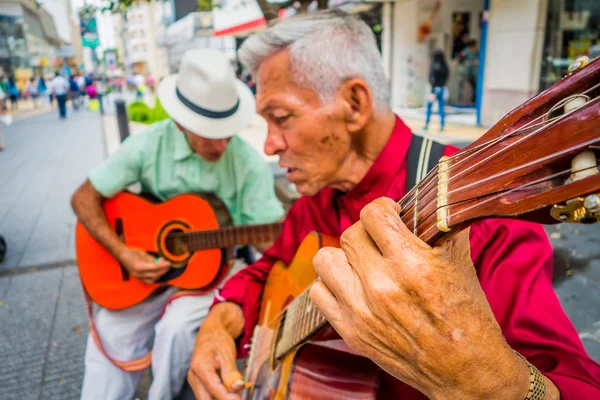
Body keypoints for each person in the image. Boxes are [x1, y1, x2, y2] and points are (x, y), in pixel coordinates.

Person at [188, 10, 600, 400]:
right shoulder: (315, 198)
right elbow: (267, 268)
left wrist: (489, 382)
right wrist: (219, 320)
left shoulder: (482, 214)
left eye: (281, 117)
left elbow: (575, 380)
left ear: (354, 104)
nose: (268, 145)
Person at [71, 48, 284, 400]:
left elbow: (269, 241)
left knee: (177, 330)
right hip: (148, 272)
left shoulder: (248, 164)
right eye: (209, 132)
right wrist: (123, 253)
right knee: (111, 329)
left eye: (227, 131)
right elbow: (83, 198)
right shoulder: (147, 144)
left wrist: (289, 241)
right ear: (182, 122)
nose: (221, 143)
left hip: (218, 270)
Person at [423, 49, 449, 132]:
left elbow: (432, 79)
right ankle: (442, 126)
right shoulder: (445, 66)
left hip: (435, 90)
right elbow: (446, 78)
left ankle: (426, 125)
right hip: (442, 89)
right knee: (441, 108)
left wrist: (433, 91)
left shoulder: (435, 66)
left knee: (429, 107)